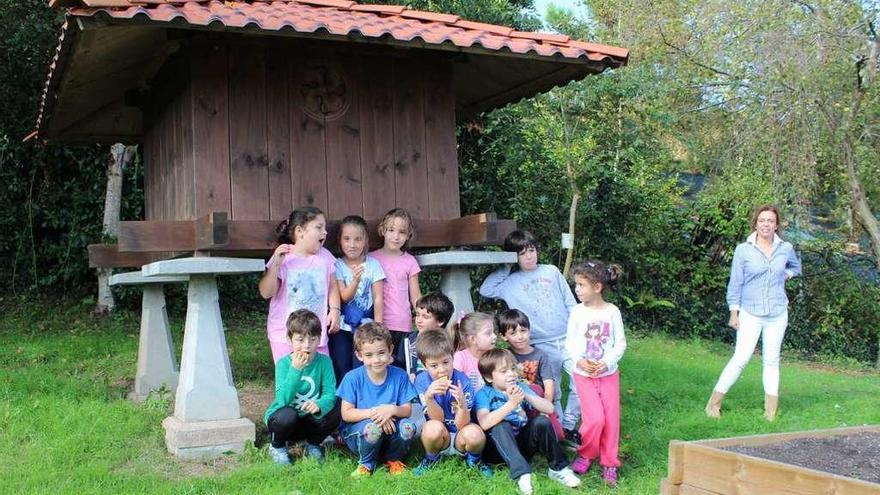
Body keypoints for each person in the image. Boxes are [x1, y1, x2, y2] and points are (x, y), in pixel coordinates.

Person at [478, 230, 580, 443]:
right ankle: (558, 427)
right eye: (522, 253)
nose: (529, 256)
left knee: (579, 382)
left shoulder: (551, 271)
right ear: (514, 256)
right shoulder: (509, 282)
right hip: (541, 342)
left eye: (532, 250)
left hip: (568, 338)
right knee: (554, 389)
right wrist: (506, 264)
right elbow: (486, 289)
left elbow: (571, 303)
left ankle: (570, 424)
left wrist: (578, 330)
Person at [706, 205, 802, 421]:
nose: (766, 224)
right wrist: (734, 312)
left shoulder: (785, 248)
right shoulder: (744, 250)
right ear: (756, 224)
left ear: (776, 225)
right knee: (740, 358)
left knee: (771, 360)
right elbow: (735, 283)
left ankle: (770, 412)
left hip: (777, 313)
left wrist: (786, 275)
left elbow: (796, 268)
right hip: (751, 312)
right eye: (762, 220)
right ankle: (713, 404)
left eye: (770, 221)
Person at [475, 348, 581, 495]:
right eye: (504, 371)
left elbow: (549, 408)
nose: (511, 374)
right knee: (500, 424)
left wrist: (526, 395)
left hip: (522, 446)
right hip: (497, 451)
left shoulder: (521, 387)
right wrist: (511, 404)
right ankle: (521, 474)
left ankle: (558, 468)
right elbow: (484, 423)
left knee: (541, 421)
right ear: (489, 377)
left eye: (512, 368)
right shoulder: (484, 394)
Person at [565, 260, 626, 488]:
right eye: (576, 284)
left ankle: (609, 461)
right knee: (595, 418)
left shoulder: (612, 312)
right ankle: (586, 453)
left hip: (608, 374)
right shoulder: (576, 312)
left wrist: (606, 363)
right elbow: (570, 342)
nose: (577, 289)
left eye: (581, 285)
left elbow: (619, 344)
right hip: (583, 374)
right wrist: (580, 360)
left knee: (610, 420)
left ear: (598, 287)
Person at [259, 206, 341, 362]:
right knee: (290, 379)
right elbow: (266, 292)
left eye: (325, 227)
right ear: (299, 232)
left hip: (316, 335)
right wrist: (276, 264)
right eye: (319, 227)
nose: (325, 232)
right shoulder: (284, 257)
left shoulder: (326, 257)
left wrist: (335, 310)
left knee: (318, 377)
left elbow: (333, 287)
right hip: (285, 335)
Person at [337, 322, 419, 477]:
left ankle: (394, 459)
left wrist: (391, 410)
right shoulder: (352, 378)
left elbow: (407, 410)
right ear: (359, 355)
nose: (376, 360)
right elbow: (347, 414)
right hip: (361, 431)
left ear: (391, 350)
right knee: (372, 428)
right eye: (369, 355)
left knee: (408, 427)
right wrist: (377, 413)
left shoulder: (400, 376)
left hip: (391, 429)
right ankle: (366, 464)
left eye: (381, 353)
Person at [411, 329, 492, 477]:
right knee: (431, 428)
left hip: (461, 434)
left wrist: (461, 404)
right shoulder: (422, 382)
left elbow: (463, 424)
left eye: (446, 362)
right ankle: (431, 458)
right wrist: (429, 398)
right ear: (424, 365)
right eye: (434, 366)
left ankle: (475, 460)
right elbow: (438, 420)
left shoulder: (463, 382)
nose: (442, 370)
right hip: (440, 436)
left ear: (452, 358)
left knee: (475, 434)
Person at [264, 310, 340, 465]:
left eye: (312, 339)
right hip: (285, 421)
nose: (307, 345)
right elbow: (283, 400)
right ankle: (277, 447)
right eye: (300, 340)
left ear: (319, 339)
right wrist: (296, 369)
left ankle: (313, 445)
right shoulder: (283, 364)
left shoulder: (324, 362)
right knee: (287, 414)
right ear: (289, 339)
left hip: (309, 421)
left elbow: (330, 394)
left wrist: (319, 405)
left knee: (339, 405)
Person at [331, 215, 386, 381]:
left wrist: (378, 326)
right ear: (340, 240)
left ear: (365, 241)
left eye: (357, 239)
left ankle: (362, 399)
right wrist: (355, 280)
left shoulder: (373, 264)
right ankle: (343, 402)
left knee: (362, 364)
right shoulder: (337, 265)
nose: (352, 245)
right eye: (346, 239)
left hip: (366, 326)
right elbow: (344, 297)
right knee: (341, 364)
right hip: (343, 327)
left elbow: (378, 298)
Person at [497, 309, 564, 440]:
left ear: (529, 330)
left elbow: (549, 386)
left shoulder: (540, 355)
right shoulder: (505, 356)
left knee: (558, 437)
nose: (520, 336)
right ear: (504, 336)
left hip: (538, 402)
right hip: (516, 402)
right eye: (513, 333)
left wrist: (544, 409)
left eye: (523, 331)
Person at [369, 208, 422, 369]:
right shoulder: (371, 258)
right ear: (383, 230)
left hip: (402, 323)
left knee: (402, 366)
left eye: (402, 232)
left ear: (408, 235)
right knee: (380, 366)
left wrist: (424, 317)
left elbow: (416, 296)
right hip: (379, 322)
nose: (396, 236)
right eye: (391, 230)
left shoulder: (410, 261)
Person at [409, 291, 455, 374]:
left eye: (425, 317)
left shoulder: (447, 342)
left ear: (440, 321)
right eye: (417, 315)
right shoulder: (409, 340)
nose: (419, 320)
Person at [452, 312, 498, 392]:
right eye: (488, 333)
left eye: (493, 332)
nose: (495, 336)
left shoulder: (495, 356)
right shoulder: (460, 358)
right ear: (473, 339)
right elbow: (455, 386)